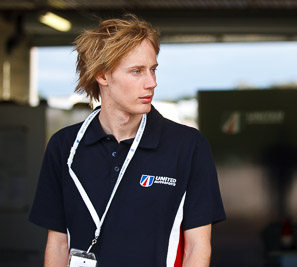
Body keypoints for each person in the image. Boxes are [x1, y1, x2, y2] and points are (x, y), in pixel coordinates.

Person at [29, 14, 226, 267]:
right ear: (102, 75)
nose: (152, 83)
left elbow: (198, 248)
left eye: (153, 70)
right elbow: (57, 244)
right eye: (137, 72)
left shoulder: (188, 146)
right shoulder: (64, 147)